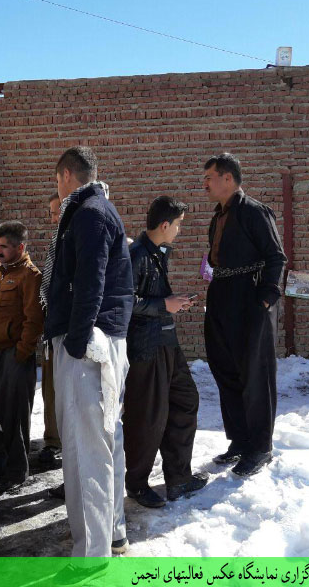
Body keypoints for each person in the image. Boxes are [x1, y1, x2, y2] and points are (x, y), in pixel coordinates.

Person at [43, 146, 133, 573]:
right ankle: (104, 539)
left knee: (87, 452)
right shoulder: (94, 210)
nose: (55, 187)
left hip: (89, 345)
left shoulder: (90, 213)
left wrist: (76, 342)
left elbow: (90, 280)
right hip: (95, 342)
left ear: (65, 175)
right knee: (95, 445)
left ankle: (91, 559)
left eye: (55, 179)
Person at [203, 153, 287, 477]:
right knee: (226, 370)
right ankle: (240, 440)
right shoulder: (218, 215)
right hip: (222, 295)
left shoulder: (254, 211)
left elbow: (276, 257)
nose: (205, 183)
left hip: (250, 299)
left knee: (255, 373)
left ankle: (260, 447)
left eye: (209, 177)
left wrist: (265, 299)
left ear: (228, 178)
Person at [123, 196, 207, 508]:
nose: (179, 232)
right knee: (148, 416)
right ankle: (137, 483)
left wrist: (174, 301)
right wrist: (163, 305)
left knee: (185, 401)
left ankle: (179, 478)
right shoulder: (135, 255)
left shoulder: (157, 253)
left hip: (167, 344)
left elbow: (150, 295)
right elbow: (122, 301)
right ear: (164, 225)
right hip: (146, 348)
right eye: (179, 226)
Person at [0, 221, 43, 488]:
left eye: (4, 246)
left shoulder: (30, 276)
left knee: (13, 416)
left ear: (20, 247)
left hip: (11, 357)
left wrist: (20, 354)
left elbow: (34, 320)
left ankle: (16, 473)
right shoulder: (2, 274)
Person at [38, 193, 63, 467]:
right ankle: (53, 440)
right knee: (50, 389)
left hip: (69, 329)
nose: (52, 217)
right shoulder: (56, 243)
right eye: (51, 212)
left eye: (55, 211)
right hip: (51, 328)